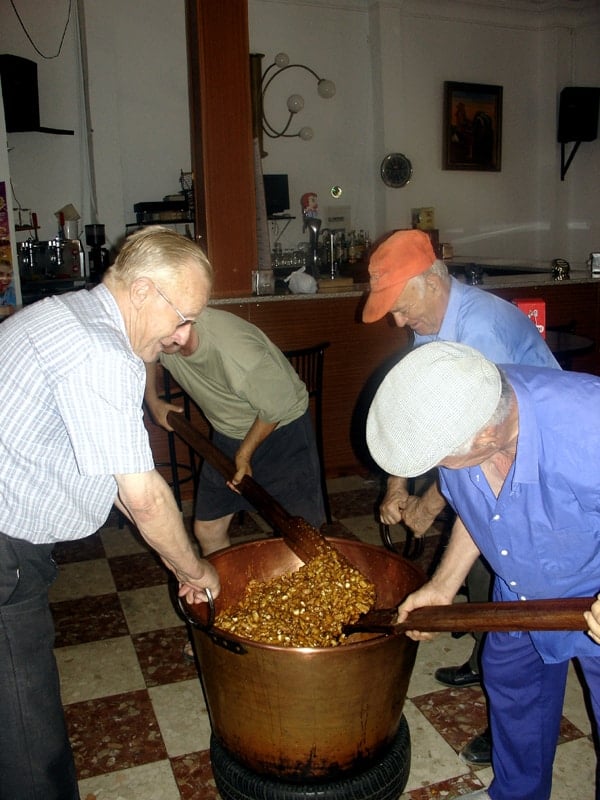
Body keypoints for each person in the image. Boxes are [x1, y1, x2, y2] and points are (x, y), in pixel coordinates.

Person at [0, 225, 220, 800]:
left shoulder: (64, 313)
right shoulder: (102, 352)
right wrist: (196, 571)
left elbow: (115, 479)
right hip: (3, 552)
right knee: (27, 738)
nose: (183, 336)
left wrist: (177, 567)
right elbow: (144, 496)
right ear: (143, 290)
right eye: (183, 316)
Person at [366, 341, 600, 800]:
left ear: (485, 438)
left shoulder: (588, 425)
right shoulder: (464, 399)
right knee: (513, 687)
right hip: (520, 587)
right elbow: (483, 508)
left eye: (438, 461)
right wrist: (443, 585)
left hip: (593, 589)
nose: (434, 470)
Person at [362, 229, 560, 764]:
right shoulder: (432, 321)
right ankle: (486, 651)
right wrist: (397, 482)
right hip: (489, 455)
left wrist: (427, 505)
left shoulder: (481, 331)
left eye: (400, 309)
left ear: (430, 282)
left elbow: (475, 444)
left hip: (534, 463)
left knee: (515, 586)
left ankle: (513, 717)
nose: (399, 323)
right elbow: (420, 408)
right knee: (482, 569)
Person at [145, 306, 326, 557]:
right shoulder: (158, 333)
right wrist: (153, 402)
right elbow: (145, 356)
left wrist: (243, 455)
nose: (157, 345)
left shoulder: (234, 350)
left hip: (283, 432)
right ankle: (227, 592)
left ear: (185, 324)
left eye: (162, 337)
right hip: (227, 433)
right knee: (208, 529)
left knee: (302, 538)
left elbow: (276, 406)